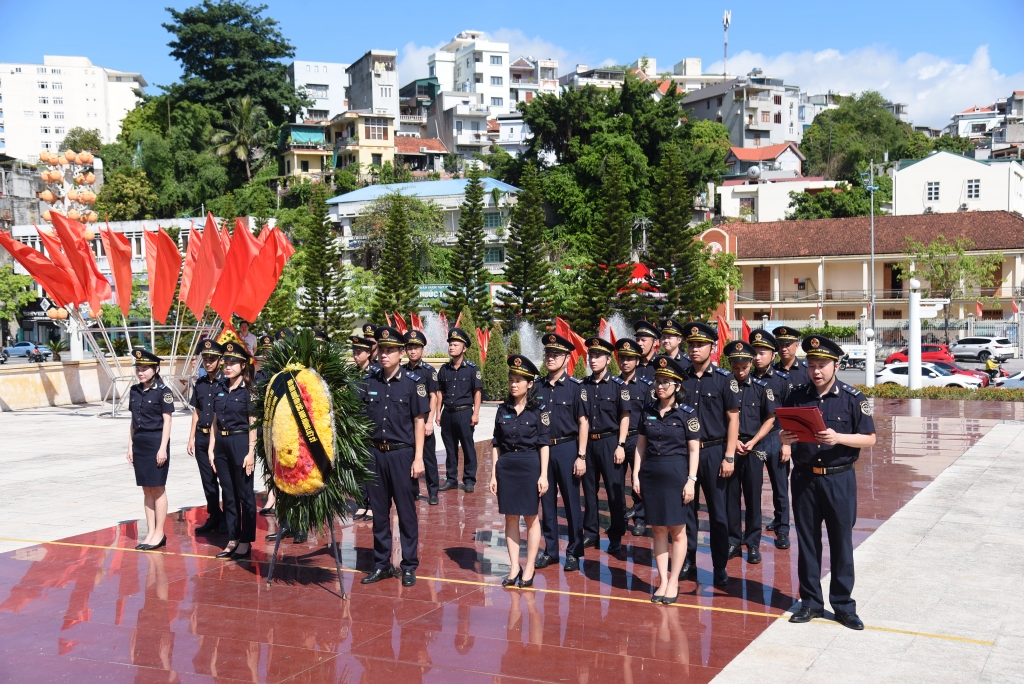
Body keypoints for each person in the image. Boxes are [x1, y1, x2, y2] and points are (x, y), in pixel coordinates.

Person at [781, 334, 876, 630]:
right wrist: (784, 438)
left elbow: (870, 437)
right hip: (805, 478)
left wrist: (838, 438)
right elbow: (786, 429)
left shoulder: (852, 398)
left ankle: (844, 605)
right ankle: (810, 602)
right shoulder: (796, 396)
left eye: (822, 365)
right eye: (811, 365)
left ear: (836, 365)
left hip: (839, 479)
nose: (816, 371)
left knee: (841, 544)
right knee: (808, 542)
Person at [360, 326, 430, 586]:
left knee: (406, 512)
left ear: (401, 353)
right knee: (379, 513)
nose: (384, 355)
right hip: (375, 454)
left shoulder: (413, 384)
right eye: (382, 349)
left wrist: (419, 457)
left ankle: (409, 564)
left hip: (402, 455)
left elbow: (419, 421)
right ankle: (382, 564)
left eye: (390, 350)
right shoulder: (369, 382)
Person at [632, 356, 700, 603]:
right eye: (658, 382)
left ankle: (674, 581)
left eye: (666, 382)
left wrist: (691, 480)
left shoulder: (687, 414)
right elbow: (640, 446)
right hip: (651, 474)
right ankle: (661, 580)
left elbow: (694, 449)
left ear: (677, 386)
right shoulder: (647, 411)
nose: (660, 386)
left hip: (676, 474)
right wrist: (636, 474)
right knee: (658, 530)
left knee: (678, 531)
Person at [678, 322, 740, 586]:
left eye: (700, 345)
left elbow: (733, 420)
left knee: (718, 513)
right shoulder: (679, 376)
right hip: (684, 454)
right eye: (691, 345)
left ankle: (719, 565)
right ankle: (688, 559)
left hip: (714, 452)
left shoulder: (725, 379)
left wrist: (729, 456)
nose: (694, 349)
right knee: (686, 510)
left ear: (712, 348)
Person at [489, 354, 550, 588]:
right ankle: (514, 566)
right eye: (511, 379)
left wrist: (544, 474)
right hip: (507, 467)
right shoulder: (502, 409)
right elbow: (496, 443)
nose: (514, 384)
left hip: (529, 465)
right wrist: (494, 474)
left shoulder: (539, 410)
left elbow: (544, 443)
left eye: (519, 380)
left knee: (531, 518)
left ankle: (530, 566)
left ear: (530, 383)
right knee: (510, 517)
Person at [535, 333, 589, 572]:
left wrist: (581, 455)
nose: (550, 358)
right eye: (548, 354)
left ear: (566, 358)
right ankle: (551, 550)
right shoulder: (536, 387)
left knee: (571, 504)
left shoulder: (576, 388)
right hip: (544, 452)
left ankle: (574, 551)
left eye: (555, 355)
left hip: (568, 448)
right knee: (546, 503)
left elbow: (583, 423)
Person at [723, 340, 776, 565]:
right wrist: (732, 442)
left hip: (755, 449)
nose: (740, 371)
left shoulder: (762, 388)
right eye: (735, 367)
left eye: (743, 366)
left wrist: (754, 441)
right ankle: (733, 541)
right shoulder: (724, 386)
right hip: (731, 449)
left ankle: (753, 542)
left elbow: (771, 418)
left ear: (750, 363)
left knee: (753, 498)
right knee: (730, 498)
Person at [209, 341, 258, 560]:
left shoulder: (249, 391)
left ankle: (245, 540)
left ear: (243, 365)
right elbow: (215, 420)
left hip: (241, 443)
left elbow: (253, 422)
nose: (228, 366)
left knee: (245, 494)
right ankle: (232, 537)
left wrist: (251, 452)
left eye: (233, 363)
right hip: (221, 444)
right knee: (228, 495)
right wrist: (211, 448)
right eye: (226, 362)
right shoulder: (219, 388)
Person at [581, 337, 630, 555]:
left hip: (610, 442)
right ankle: (591, 532)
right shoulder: (582, 386)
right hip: (588, 443)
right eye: (591, 356)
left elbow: (625, 416)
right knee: (589, 490)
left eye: (598, 356)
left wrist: (621, 444)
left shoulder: (619, 386)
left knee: (614, 490)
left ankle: (616, 534)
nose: (593, 360)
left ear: (608, 360)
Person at [127, 348, 174, 550]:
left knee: (158, 488)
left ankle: (159, 532)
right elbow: (132, 421)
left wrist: (162, 448)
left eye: (145, 368)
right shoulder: (135, 391)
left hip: (156, 441)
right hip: (140, 443)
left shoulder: (164, 392)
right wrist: (130, 445)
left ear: (155, 369)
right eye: (138, 368)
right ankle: (150, 532)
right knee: (146, 489)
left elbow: (167, 421)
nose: (141, 372)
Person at [749, 329, 792, 549]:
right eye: (755, 352)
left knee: (780, 487)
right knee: (752, 488)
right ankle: (751, 532)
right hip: (752, 441)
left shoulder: (782, 381)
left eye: (762, 352)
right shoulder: (744, 379)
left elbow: (789, 413)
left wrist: (787, 444)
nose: (757, 356)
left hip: (777, 437)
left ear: (772, 355)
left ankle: (783, 530)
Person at [616, 338, 654, 536]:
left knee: (638, 479)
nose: (625, 362)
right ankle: (619, 518)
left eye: (630, 358)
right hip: (617, 441)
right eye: (622, 358)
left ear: (637, 361)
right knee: (616, 482)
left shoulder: (646, 386)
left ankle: (640, 518)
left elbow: (651, 414)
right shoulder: (613, 384)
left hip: (638, 439)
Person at [437, 327, 482, 493]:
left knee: (468, 446)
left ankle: (469, 480)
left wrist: (476, 413)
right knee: (450, 448)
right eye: (450, 344)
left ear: (464, 348)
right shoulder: (444, 369)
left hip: (465, 413)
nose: (451, 347)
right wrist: (437, 413)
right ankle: (451, 479)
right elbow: (440, 392)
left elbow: (477, 392)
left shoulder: (472, 369)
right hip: (447, 413)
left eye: (455, 344)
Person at [187, 339, 225, 534]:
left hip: (219, 439)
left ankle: (228, 518)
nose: (208, 363)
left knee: (224, 480)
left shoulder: (226, 382)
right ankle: (214, 516)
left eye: (212, 359)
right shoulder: (200, 383)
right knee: (207, 480)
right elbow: (197, 411)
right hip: (202, 437)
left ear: (220, 360)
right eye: (205, 359)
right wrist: (191, 437)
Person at [404, 330, 441, 505]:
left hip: (424, 419)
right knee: (409, 456)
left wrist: (429, 422)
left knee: (428, 457)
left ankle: (433, 491)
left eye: (416, 348)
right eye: (410, 348)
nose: (412, 351)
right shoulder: (402, 371)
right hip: (407, 421)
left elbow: (433, 396)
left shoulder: (428, 371)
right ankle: (413, 490)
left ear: (422, 350)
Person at [350, 332, 378, 521]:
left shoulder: (376, 374)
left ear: (369, 353)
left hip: (370, 427)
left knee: (371, 467)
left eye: (360, 351)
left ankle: (373, 504)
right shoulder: (351, 374)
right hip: (354, 427)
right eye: (354, 351)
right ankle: (361, 501)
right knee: (357, 466)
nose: (356, 354)